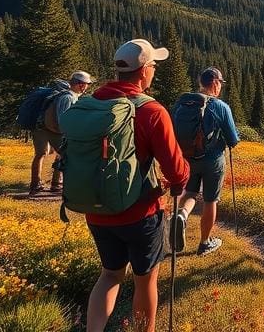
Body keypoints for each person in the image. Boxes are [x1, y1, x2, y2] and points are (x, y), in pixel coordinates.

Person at [84, 39, 189, 332]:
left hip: (97, 210)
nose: (154, 70)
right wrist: (180, 181)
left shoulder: (92, 104)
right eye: (153, 65)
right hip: (141, 212)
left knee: (109, 275)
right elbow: (176, 169)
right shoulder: (151, 111)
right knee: (145, 280)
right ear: (143, 71)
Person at [171, 66, 241, 257]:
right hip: (213, 161)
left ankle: (182, 215)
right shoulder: (220, 106)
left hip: (187, 158)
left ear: (200, 83)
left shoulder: (183, 103)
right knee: (211, 200)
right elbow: (233, 140)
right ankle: (204, 243)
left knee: (191, 192)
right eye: (220, 83)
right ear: (215, 83)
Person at [29, 70, 92, 195]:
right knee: (64, 154)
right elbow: (63, 119)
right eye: (86, 84)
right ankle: (55, 184)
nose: (86, 86)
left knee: (42, 154)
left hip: (41, 127)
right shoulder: (68, 97)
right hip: (53, 129)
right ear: (80, 84)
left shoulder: (67, 95)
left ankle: (38, 185)